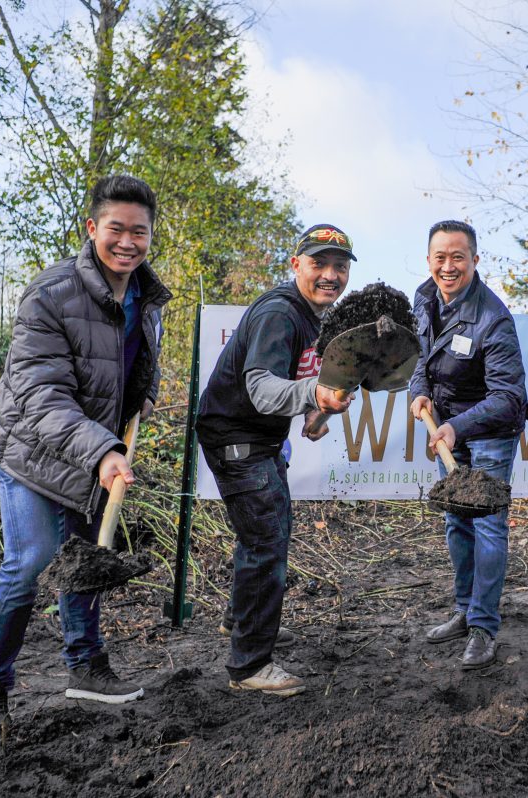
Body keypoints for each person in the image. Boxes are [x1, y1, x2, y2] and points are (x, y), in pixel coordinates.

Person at [0, 175, 171, 743]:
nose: (127, 242)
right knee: (32, 559)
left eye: (139, 232)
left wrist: (146, 395)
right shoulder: (51, 293)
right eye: (116, 229)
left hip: (91, 447)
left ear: (151, 235)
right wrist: (102, 451)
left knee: (85, 556)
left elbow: (139, 361)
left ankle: (86, 667)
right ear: (92, 228)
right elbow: (40, 395)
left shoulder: (147, 296)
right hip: (30, 447)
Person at [196, 223, 356, 696]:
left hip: (257, 437)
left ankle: (242, 621)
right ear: (295, 265)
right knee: (266, 540)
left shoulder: (315, 316)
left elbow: (297, 381)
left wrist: (315, 411)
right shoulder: (280, 313)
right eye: (319, 263)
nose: (330, 275)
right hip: (235, 437)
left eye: (340, 266)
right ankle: (249, 665)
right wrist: (313, 394)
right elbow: (263, 389)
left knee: (270, 529)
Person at [410, 220, 528, 670]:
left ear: (475, 261)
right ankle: (464, 609)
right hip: (447, 426)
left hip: (490, 429)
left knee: (488, 526)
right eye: (440, 257)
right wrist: (419, 391)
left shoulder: (493, 318)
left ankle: (483, 627)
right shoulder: (424, 297)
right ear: (428, 260)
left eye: (458, 257)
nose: (448, 266)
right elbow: (420, 356)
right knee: (456, 522)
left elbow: (507, 396)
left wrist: (457, 427)